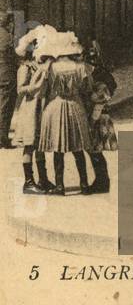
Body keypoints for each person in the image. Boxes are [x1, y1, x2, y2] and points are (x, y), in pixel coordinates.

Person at [34, 30, 94, 195]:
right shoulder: (81, 67)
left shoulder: (50, 68)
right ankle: (84, 184)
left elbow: (43, 90)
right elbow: (87, 89)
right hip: (75, 106)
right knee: (78, 147)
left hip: (55, 106)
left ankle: (60, 186)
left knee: (58, 148)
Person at [12, 25, 56, 193]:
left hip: (40, 107)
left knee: (39, 143)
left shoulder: (41, 66)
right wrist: (37, 85)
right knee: (30, 144)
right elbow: (20, 89)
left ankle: (43, 179)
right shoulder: (25, 67)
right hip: (30, 109)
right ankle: (28, 181)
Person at [84, 40, 117, 194]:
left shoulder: (99, 76)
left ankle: (102, 181)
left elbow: (99, 101)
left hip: (98, 117)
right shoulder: (102, 73)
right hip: (100, 115)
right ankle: (101, 180)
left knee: (95, 150)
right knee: (94, 150)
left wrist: (91, 121)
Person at [0, 11, 17, 148]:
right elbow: (12, 56)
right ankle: (2, 138)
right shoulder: (7, 37)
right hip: (6, 76)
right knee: (5, 107)